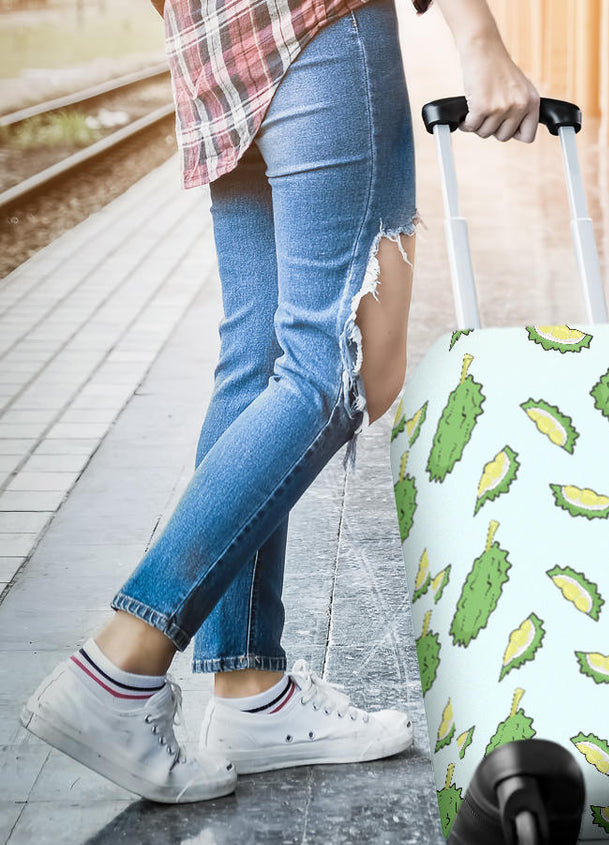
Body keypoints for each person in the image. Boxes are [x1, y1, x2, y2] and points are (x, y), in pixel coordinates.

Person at [20, 0, 539, 803]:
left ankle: (248, 690)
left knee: (259, 362)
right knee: (339, 368)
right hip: (320, 26)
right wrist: (480, 40)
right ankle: (119, 666)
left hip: (214, 47)